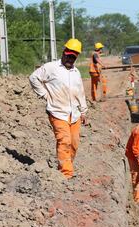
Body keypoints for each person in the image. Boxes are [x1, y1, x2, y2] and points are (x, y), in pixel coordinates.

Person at [29, 38, 88, 179]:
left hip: (74, 113)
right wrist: (44, 94)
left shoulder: (76, 72)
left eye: (73, 57)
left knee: (74, 143)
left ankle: (67, 164)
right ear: (63, 52)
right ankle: (66, 174)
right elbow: (33, 78)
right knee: (64, 140)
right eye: (68, 55)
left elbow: (80, 92)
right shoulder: (51, 67)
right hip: (57, 111)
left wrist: (84, 111)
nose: (69, 59)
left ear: (76, 57)